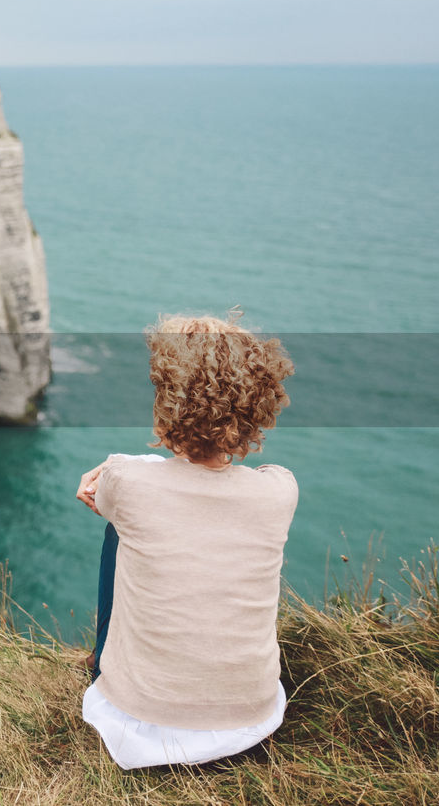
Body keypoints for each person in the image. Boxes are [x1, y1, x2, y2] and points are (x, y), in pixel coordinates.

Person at [74, 311, 298, 770]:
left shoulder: (128, 483)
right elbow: (209, 487)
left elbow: (117, 488)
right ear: (259, 404)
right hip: (249, 721)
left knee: (119, 530)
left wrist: (114, 465)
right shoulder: (279, 490)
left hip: (139, 721)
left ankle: (101, 662)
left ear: (169, 401)